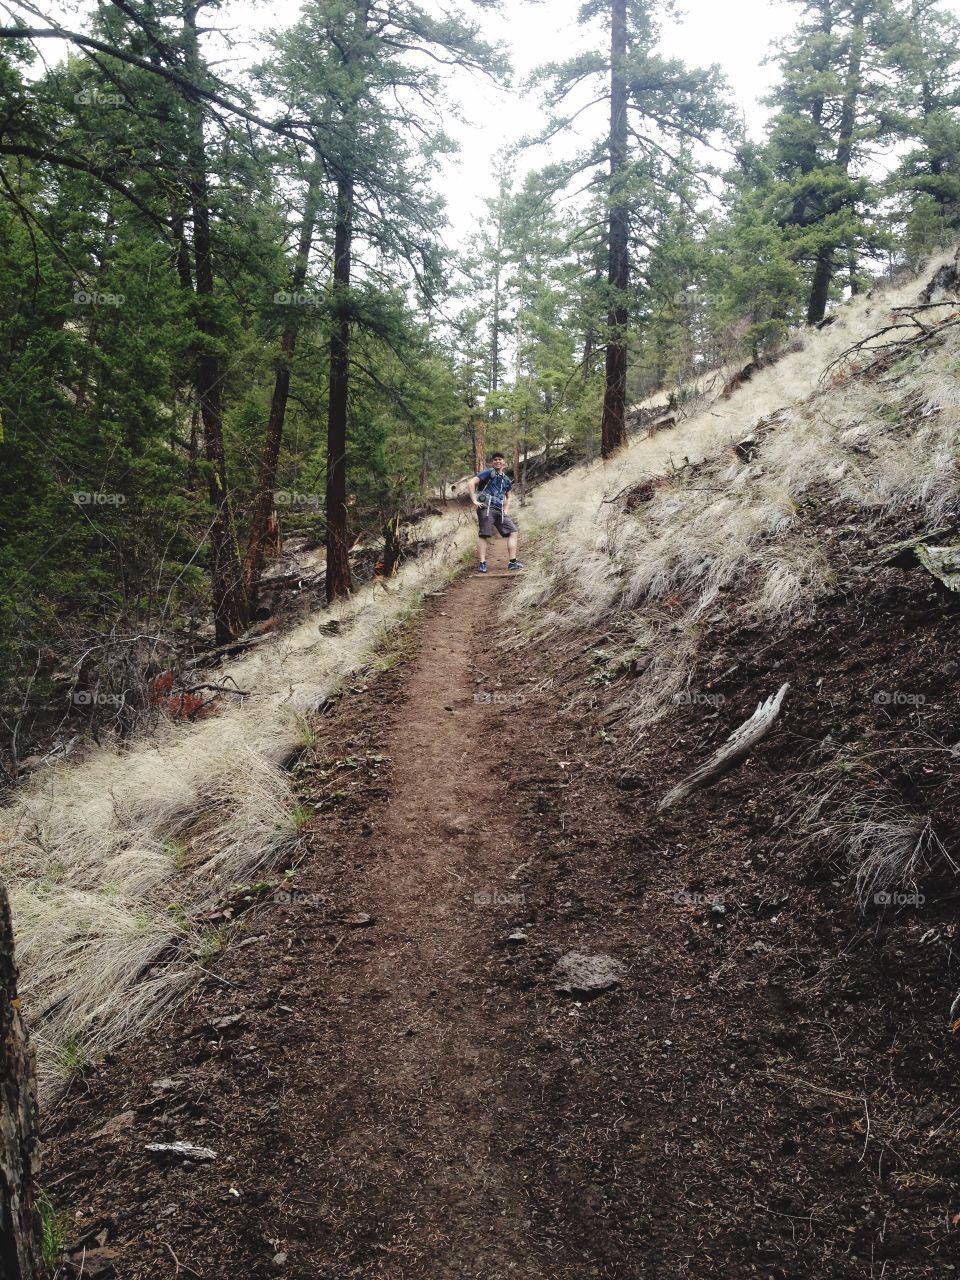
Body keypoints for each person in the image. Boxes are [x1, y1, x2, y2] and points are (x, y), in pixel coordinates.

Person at [467, 452, 524, 573]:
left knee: (513, 531)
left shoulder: (506, 479)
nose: (498, 461)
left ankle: (512, 562)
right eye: (495, 460)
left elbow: (509, 496)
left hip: (499, 510)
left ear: (504, 462)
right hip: (486, 507)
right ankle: (482, 563)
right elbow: (471, 483)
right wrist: (474, 500)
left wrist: (506, 510)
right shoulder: (487, 473)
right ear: (492, 462)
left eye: (500, 459)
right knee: (484, 534)